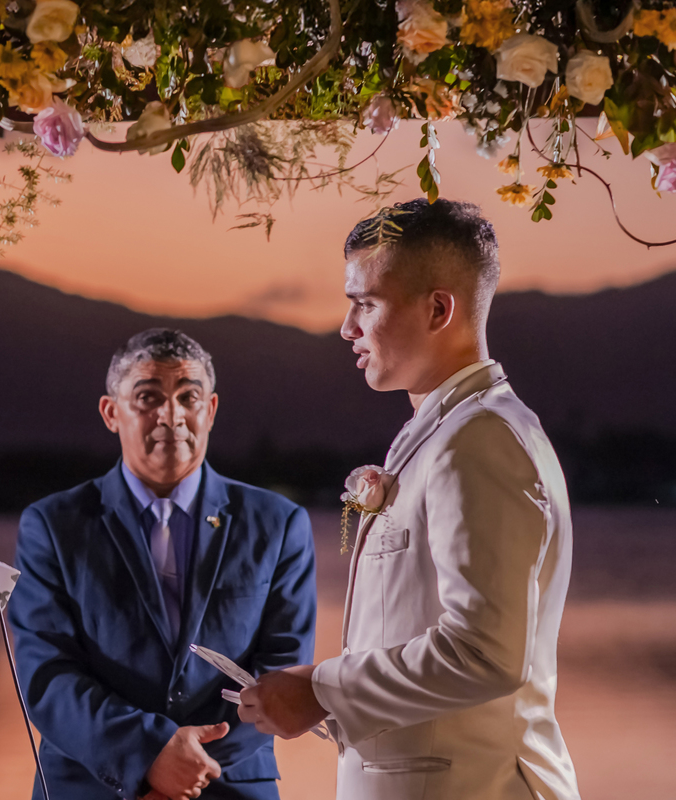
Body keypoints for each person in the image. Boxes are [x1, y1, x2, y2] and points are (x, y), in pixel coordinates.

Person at [238, 199, 581, 800]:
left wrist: (321, 689)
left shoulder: (479, 441)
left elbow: (485, 653)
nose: (347, 327)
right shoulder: (447, 434)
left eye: (364, 304)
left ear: (439, 308)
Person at [9, 329, 317, 800]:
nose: (171, 416)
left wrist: (192, 767)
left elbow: (282, 675)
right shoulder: (52, 525)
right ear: (112, 413)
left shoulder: (278, 524)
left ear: (210, 410)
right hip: (92, 787)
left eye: (188, 397)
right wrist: (148, 757)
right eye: (148, 397)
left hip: (229, 787)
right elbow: (47, 676)